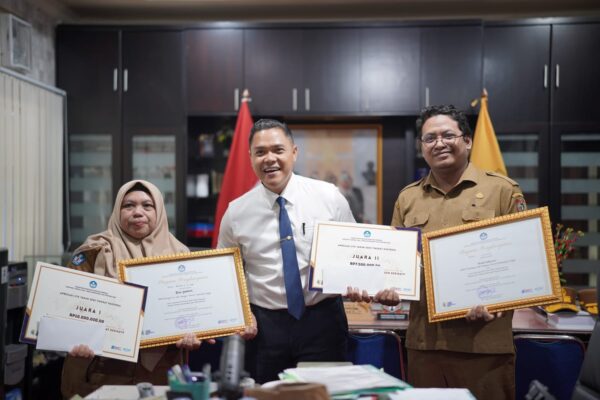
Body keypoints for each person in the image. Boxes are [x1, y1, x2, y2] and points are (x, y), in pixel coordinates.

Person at [217, 119, 396, 383]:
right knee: (268, 394)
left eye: (278, 150)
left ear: (294, 152)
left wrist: (371, 284)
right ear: (250, 157)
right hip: (264, 327)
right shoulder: (236, 212)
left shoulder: (328, 197)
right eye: (260, 152)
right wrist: (242, 314)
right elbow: (226, 274)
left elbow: (356, 253)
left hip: (322, 320)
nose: (269, 159)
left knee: (325, 393)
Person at [391, 105, 527, 400]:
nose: (439, 143)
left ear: (467, 140)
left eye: (447, 135)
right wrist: (386, 288)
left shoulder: (502, 191)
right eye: (430, 138)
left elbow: (520, 262)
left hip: (482, 345)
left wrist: (497, 301)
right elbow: (397, 265)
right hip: (425, 345)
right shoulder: (408, 198)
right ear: (422, 147)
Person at [61, 180, 207, 398]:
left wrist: (194, 334)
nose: (138, 212)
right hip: (103, 369)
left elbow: (193, 313)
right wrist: (73, 338)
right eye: (128, 205)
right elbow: (67, 308)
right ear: (117, 211)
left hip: (161, 372)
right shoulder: (94, 252)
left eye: (147, 206)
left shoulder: (181, 256)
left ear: (159, 211)